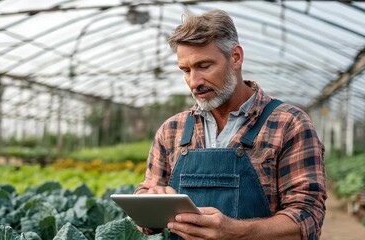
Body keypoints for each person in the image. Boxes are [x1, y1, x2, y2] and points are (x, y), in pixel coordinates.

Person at [135, 9, 326, 240]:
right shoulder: (171, 130)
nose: (194, 82)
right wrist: (150, 200)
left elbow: (308, 218)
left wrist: (236, 232)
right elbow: (146, 217)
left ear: (235, 57)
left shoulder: (288, 124)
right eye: (185, 70)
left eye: (204, 66)